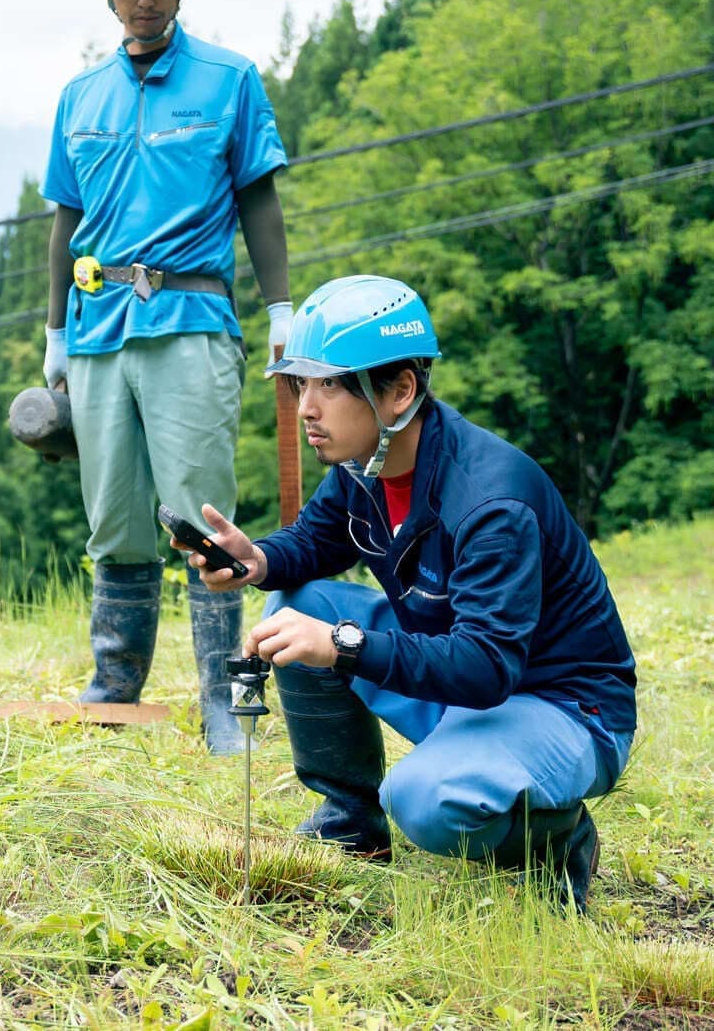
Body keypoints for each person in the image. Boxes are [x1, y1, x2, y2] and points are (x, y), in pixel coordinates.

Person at [180, 275, 637, 909]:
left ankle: (559, 842)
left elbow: (486, 667)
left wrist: (341, 646)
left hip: (562, 708)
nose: (306, 406)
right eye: (299, 383)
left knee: (423, 799)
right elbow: (313, 542)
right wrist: (256, 559)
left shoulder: (491, 501)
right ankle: (350, 820)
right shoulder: (362, 467)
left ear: (400, 392)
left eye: (331, 384)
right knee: (294, 607)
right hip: (463, 683)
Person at [41, 0, 293, 753]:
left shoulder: (229, 81)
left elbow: (259, 196)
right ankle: (115, 686)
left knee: (201, 515)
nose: (142, 3)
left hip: (191, 317)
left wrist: (281, 309)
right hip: (97, 327)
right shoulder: (80, 97)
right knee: (113, 516)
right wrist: (52, 335)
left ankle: (227, 701)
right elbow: (62, 224)